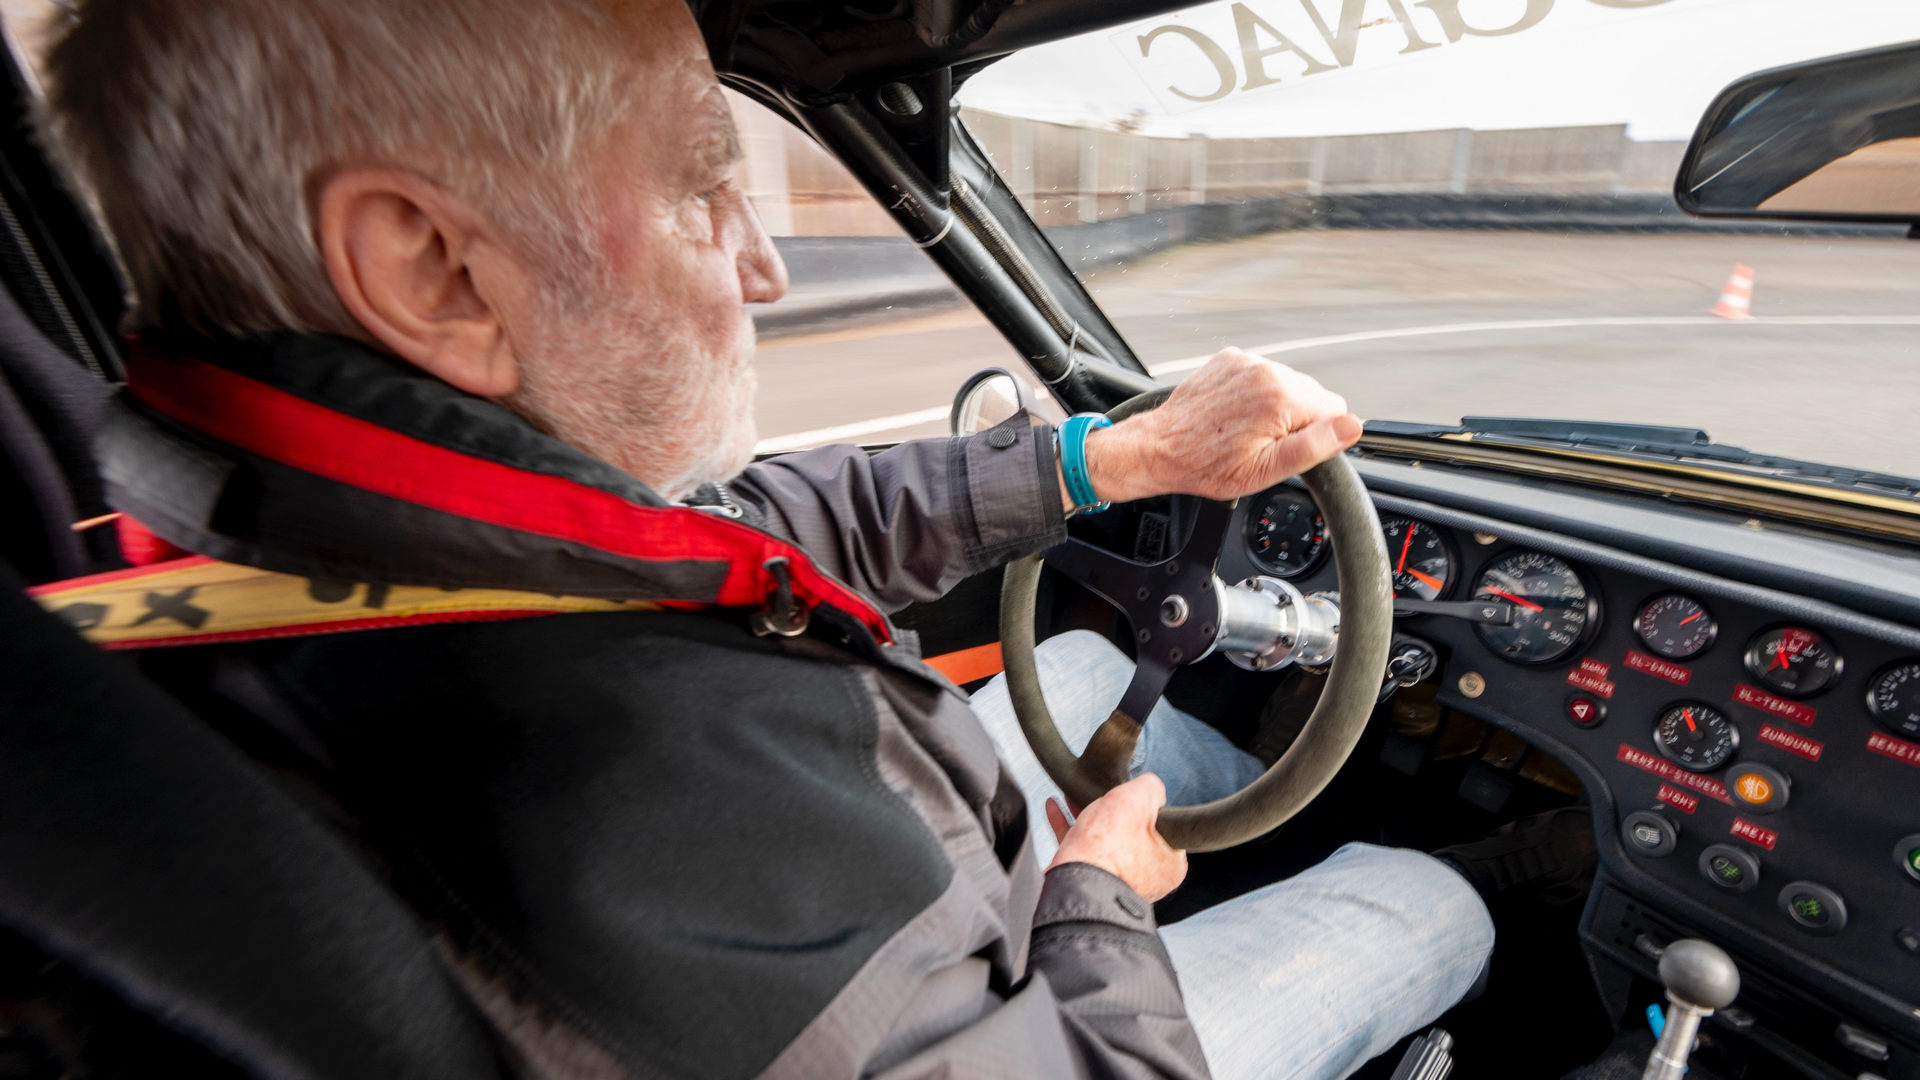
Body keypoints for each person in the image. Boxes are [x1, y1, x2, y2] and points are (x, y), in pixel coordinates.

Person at [35, 1, 1493, 1077]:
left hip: (900, 897)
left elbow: (735, 535)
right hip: (1003, 1000)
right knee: (1420, 897)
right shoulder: (632, 789)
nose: (767, 264)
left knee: (1104, 681)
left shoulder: (269, 533)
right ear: (430, 269)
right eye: (698, 184)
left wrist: (1113, 455)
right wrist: (1100, 904)